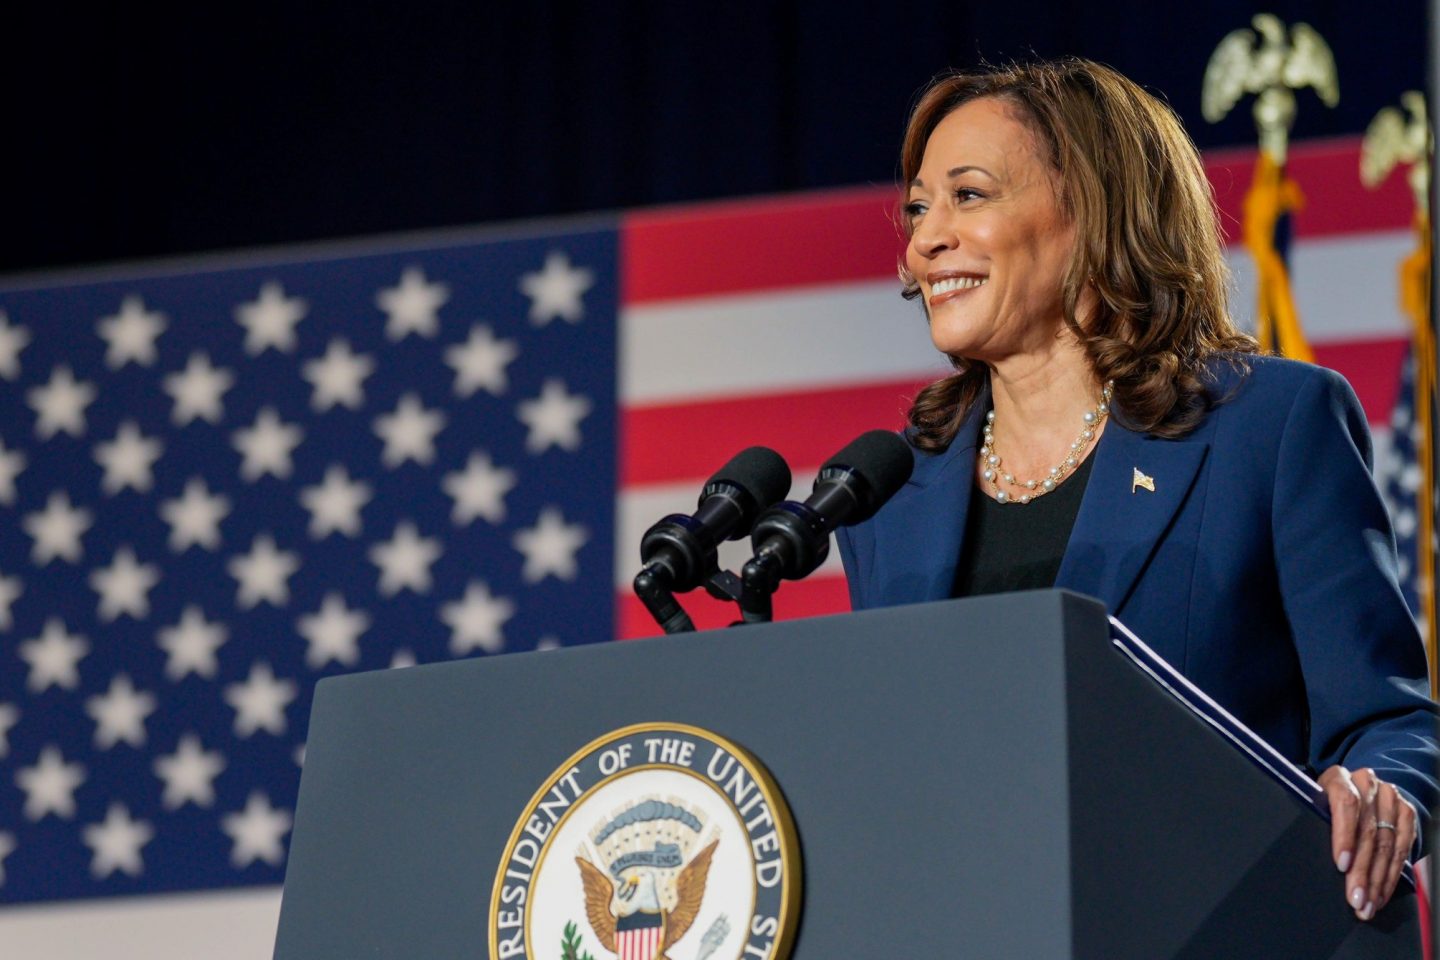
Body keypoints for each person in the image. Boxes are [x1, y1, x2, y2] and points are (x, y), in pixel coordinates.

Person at [834, 58, 1438, 922]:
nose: (924, 240)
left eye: (968, 195)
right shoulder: (891, 498)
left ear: (1093, 208)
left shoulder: (1268, 429)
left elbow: (1389, 722)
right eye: (919, 209)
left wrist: (1384, 794)